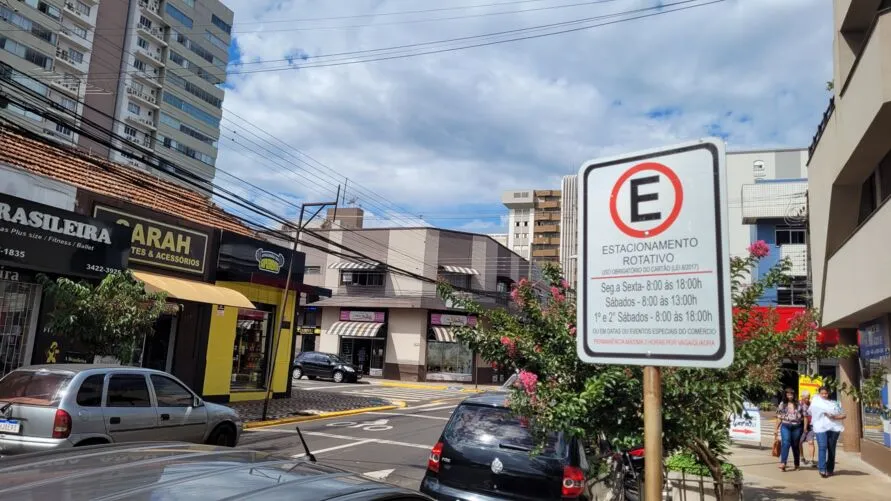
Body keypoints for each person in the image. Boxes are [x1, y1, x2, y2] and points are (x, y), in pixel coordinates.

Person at [809, 386, 846, 478]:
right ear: (819, 393)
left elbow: (844, 415)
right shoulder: (816, 401)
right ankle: (822, 469)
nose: (824, 395)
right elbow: (811, 412)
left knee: (831, 448)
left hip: (834, 428)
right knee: (822, 446)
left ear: (829, 393)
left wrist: (834, 417)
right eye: (822, 393)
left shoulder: (835, 403)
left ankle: (830, 469)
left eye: (826, 393)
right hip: (820, 427)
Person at [774, 387, 804, 471]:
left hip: (796, 427)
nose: (789, 395)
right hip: (785, 425)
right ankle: (783, 463)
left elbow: (803, 416)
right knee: (786, 443)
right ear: (785, 395)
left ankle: (796, 464)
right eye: (788, 393)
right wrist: (775, 429)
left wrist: (804, 427)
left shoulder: (799, 404)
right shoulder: (782, 404)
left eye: (791, 393)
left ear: (794, 394)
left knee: (795, 445)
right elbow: (779, 417)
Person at [799, 390, 816, 465]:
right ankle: (802, 457)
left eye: (808, 398)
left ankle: (812, 460)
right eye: (805, 398)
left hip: (811, 426)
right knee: (799, 442)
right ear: (802, 397)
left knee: (811, 442)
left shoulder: (812, 404)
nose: (807, 399)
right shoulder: (798, 404)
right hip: (801, 425)